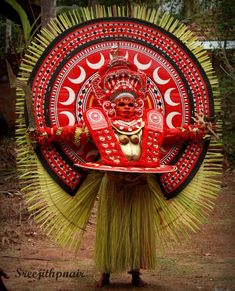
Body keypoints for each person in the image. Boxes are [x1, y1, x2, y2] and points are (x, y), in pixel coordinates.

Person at [33, 48, 211, 287]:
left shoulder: (149, 122)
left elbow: (171, 135)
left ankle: (136, 273)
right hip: (113, 182)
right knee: (110, 228)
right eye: (121, 103)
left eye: (130, 102)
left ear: (138, 103)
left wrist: (195, 132)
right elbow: (74, 132)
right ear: (113, 105)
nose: (126, 106)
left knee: (138, 228)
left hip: (142, 183)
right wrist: (47, 135)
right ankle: (105, 273)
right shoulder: (100, 123)